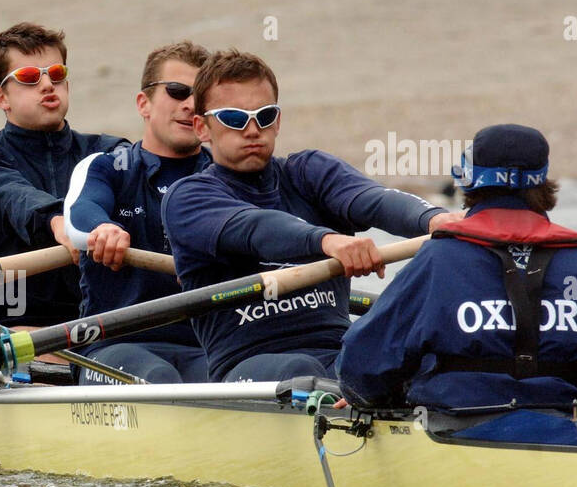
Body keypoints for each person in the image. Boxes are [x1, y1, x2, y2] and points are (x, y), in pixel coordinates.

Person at [161, 49, 462, 383]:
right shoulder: (187, 198)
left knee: (420, 356)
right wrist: (328, 241)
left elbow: (374, 200)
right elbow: (257, 230)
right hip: (248, 365)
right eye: (234, 118)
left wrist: (436, 220)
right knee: (300, 375)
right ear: (202, 128)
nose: (251, 130)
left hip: (334, 354)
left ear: (277, 122)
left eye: (264, 116)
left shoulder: (309, 172)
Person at [338, 124, 577, 413]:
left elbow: (360, 370)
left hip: (460, 433)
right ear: (543, 183)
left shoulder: (439, 261)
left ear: (469, 181)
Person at [0, 22, 125, 339]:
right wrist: (57, 222)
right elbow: (11, 196)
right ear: (2, 98)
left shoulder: (111, 153)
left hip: (99, 330)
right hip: (6, 330)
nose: (47, 85)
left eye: (56, 74)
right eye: (29, 77)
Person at [64, 41, 214, 384]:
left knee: (226, 383)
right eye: (177, 91)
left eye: (201, 97)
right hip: (113, 344)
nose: (190, 104)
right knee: (158, 379)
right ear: (143, 103)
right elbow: (79, 215)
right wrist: (102, 229)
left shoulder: (224, 179)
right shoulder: (106, 167)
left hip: (204, 347)